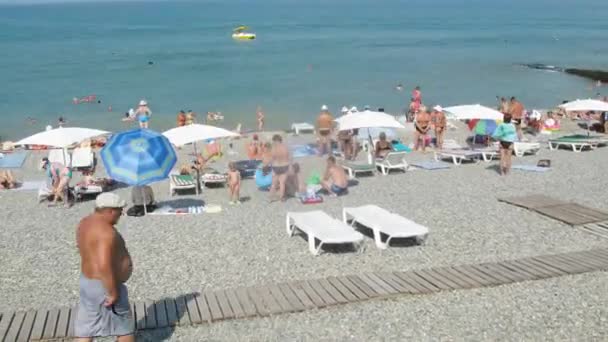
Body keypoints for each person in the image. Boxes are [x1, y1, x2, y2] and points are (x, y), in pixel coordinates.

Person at [75, 193, 134, 341]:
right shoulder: (106, 233)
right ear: (111, 211)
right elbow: (103, 265)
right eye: (120, 211)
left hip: (88, 282)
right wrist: (112, 292)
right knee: (124, 328)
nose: (121, 214)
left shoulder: (85, 222)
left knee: (86, 329)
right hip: (104, 286)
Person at [268, 134, 290, 202]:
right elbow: (289, 158)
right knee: (282, 183)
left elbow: (272, 158)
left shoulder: (274, 148)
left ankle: (270, 198)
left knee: (274, 183)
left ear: (275, 140)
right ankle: (282, 198)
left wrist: (268, 165)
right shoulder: (285, 147)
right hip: (285, 166)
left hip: (276, 166)